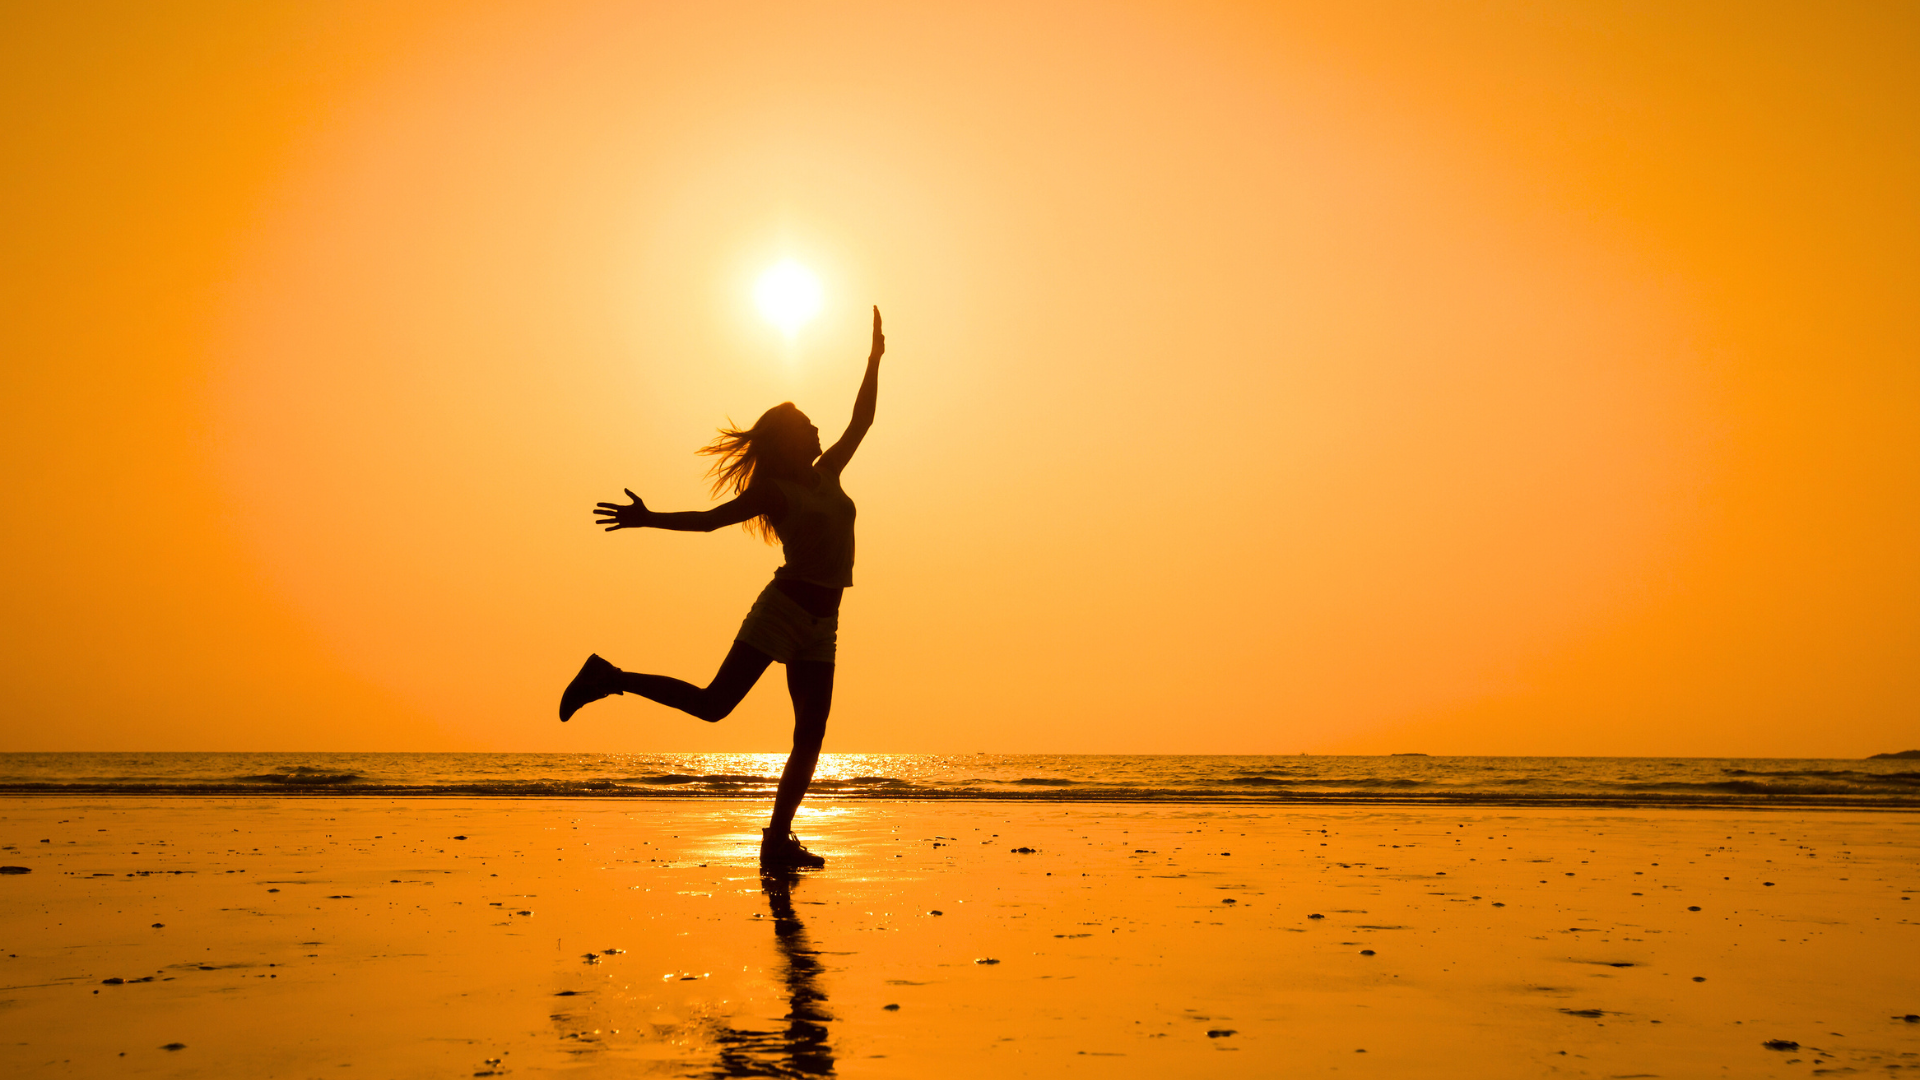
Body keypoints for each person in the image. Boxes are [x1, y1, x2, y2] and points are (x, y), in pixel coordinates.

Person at [558, 307, 886, 868]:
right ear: (787, 440)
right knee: (715, 705)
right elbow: (710, 520)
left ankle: (776, 840)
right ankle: (609, 677)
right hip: (783, 611)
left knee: (811, 734)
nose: (817, 428)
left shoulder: (826, 474)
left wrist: (874, 359)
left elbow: (863, 420)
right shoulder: (776, 491)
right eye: (806, 424)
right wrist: (649, 517)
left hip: (823, 624)